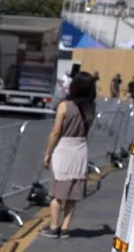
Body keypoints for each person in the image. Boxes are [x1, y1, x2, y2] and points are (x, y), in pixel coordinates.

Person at [41, 71, 96, 239]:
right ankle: (65, 229)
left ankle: (53, 227)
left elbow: (56, 131)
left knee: (57, 194)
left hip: (64, 149)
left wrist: (48, 152)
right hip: (80, 150)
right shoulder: (91, 108)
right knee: (72, 195)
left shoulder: (65, 106)